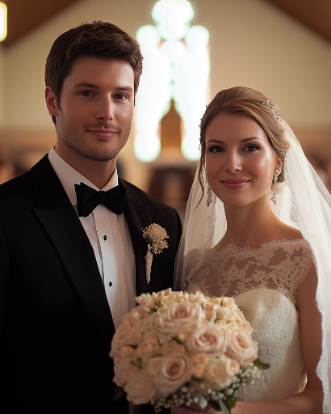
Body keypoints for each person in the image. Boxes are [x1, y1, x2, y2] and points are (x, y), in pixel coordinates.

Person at [0, 21, 182, 413]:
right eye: (88, 93)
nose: (107, 112)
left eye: (121, 95)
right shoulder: (5, 216)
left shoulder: (164, 220)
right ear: (52, 101)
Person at [174, 87, 331, 414]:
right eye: (217, 149)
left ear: (278, 161)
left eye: (250, 148)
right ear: (204, 162)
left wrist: (230, 411)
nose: (232, 164)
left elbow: (322, 397)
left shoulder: (305, 258)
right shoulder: (193, 265)